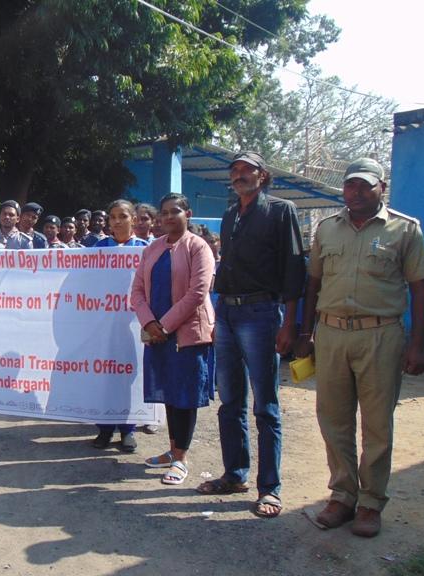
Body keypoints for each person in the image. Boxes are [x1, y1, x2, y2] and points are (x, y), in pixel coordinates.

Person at [295, 158, 424, 538]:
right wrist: (305, 334)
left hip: (380, 335)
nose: (355, 193)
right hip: (332, 334)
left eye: (364, 186)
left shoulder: (405, 230)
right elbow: (313, 284)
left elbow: (420, 288)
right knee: (333, 419)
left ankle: (371, 503)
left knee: (376, 425)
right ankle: (342, 495)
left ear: (381, 189)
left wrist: (417, 345)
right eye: (350, 186)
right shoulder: (327, 229)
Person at [196, 151, 305, 520]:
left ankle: (269, 488)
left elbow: (293, 266)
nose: (240, 175)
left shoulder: (280, 211)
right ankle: (235, 474)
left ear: (263, 175)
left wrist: (289, 322)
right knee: (230, 402)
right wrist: (216, 314)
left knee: (266, 406)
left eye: (248, 170)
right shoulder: (230, 216)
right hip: (228, 312)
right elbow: (225, 269)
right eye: (235, 170)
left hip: (262, 313)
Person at [130, 194, 215, 485]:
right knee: (168, 392)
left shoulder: (198, 247)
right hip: (157, 335)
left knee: (184, 396)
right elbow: (137, 291)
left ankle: (181, 459)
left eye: (174, 211)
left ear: (187, 214)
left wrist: (163, 326)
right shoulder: (152, 249)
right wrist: (149, 322)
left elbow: (197, 293)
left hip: (186, 335)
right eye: (163, 212)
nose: (168, 217)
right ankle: (172, 449)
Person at [91, 200, 149, 452]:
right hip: (103, 324)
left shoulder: (146, 249)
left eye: (122, 216)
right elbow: (86, 282)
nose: (116, 221)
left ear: (134, 219)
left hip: (134, 325)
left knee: (129, 375)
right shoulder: (98, 247)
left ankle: (128, 429)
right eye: (112, 217)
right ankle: (104, 428)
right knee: (103, 375)